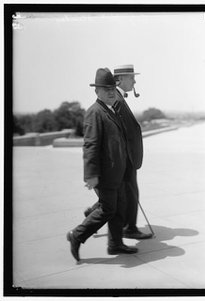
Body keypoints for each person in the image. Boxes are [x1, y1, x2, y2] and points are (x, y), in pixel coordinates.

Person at [66, 68, 138, 262]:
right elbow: (90, 145)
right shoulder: (94, 112)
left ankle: (115, 244)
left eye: (112, 87)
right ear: (96, 91)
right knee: (108, 209)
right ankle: (77, 235)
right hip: (105, 174)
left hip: (117, 172)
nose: (110, 91)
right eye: (105, 88)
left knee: (119, 206)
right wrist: (91, 175)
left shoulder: (110, 109)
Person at [84, 64, 153, 239]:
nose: (134, 81)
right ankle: (128, 228)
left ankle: (96, 215)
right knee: (127, 193)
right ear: (120, 79)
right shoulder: (117, 100)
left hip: (126, 156)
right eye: (131, 77)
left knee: (121, 194)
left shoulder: (118, 98)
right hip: (125, 157)